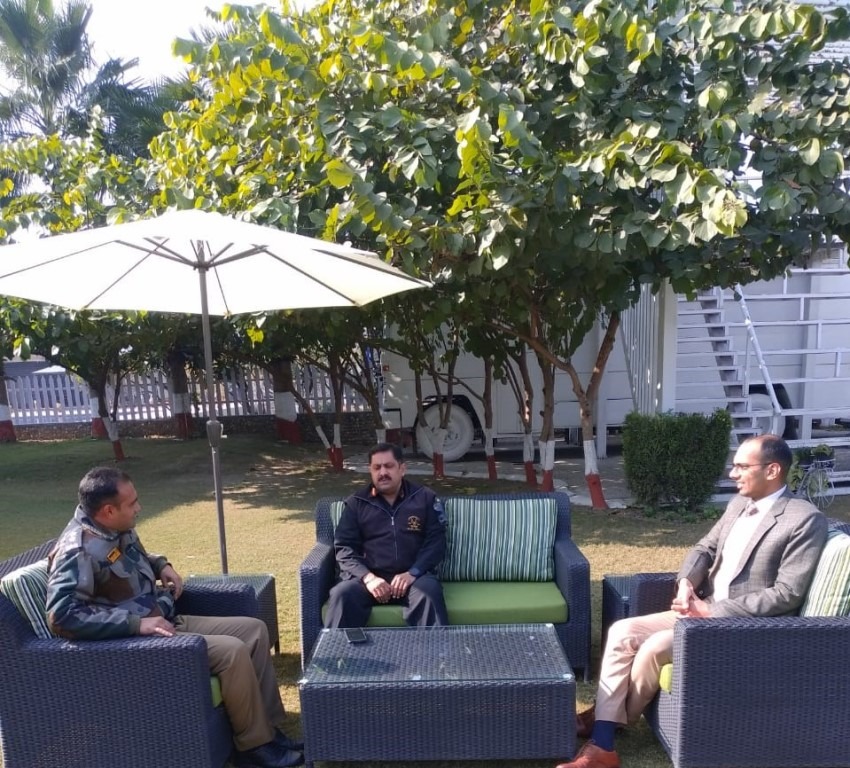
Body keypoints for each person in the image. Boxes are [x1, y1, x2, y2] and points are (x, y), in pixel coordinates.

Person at [558, 434, 828, 768]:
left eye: (742, 466)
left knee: (654, 648)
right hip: (701, 609)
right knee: (622, 631)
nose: (732, 473)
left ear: (772, 470)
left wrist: (712, 611)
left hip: (747, 628)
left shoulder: (803, 519)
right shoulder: (738, 504)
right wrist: (687, 584)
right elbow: (704, 548)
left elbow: (787, 593)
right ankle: (604, 722)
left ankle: (603, 739)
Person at [46, 466, 304, 768]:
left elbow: (135, 557)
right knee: (231, 651)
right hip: (136, 642)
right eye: (132, 503)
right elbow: (62, 615)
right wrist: (137, 625)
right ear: (108, 510)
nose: (139, 508)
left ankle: (268, 731)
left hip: (164, 618)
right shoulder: (77, 550)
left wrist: (161, 565)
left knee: (255, 630)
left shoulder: (115, 527)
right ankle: (253, 748)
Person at [324, 442, 449, 629]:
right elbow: (344, 548)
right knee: (342, 594)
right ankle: (338, 649)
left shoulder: (424, 498)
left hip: (413, 579)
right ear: (371, 470)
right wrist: (368, 578)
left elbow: (436, 542)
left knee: (429, 593)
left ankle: (436, 649)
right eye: (377, 467)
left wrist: (413, 573)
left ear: (402, 468)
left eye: (388, 466)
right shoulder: (357, 503)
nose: (383, 472)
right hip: (367, 581)